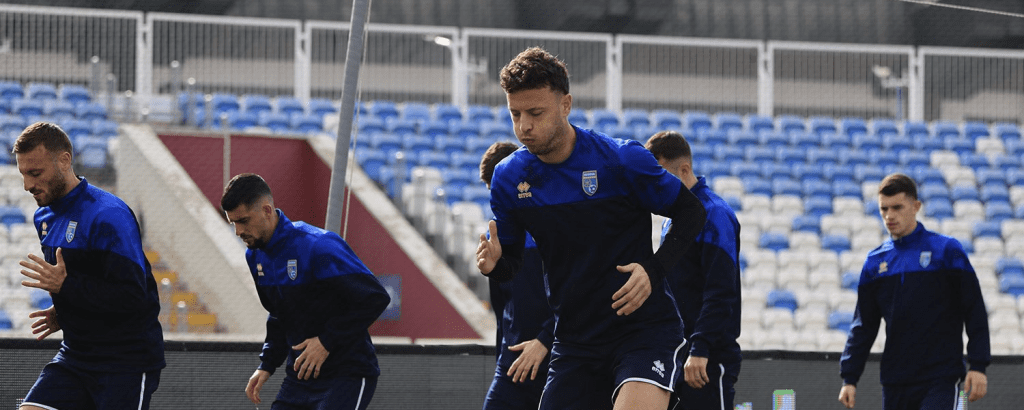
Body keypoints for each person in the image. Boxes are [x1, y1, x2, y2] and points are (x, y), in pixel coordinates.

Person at [477, 47, 708, 410]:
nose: (524, 127)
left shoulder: (621, 160)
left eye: (536, 113)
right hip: (574, 343)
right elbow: (512, 264)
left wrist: (653, 270)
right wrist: (495, 265)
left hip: (643, 333)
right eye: (515, 114)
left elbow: (691, 212)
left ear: (565, 105)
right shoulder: (508, 179)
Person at [13, 121, 165, 409]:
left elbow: (132, 296)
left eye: (35, 173)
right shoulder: (43, 217)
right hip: (75, 356)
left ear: (64, 160)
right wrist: (65, 310)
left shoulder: (108, 215)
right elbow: (83, 280)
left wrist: (67, 288)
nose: (27, 185)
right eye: (23, 174)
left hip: (126, 360)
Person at [221, 173, 390, 410]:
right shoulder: (254, 256)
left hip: (347, 374)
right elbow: (279, 314)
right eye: (233, 223)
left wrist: (326, 341)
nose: (238, 231)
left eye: (243, 221)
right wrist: (267, 365)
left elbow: (375, 298)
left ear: (267, 210)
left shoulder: (318, 246)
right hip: (300, 377)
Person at [838, 173, 990, 410]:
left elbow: (974, 309)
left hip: (940, 376)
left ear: (916, 206)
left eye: (897, 207)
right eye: (884, 209)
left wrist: (978, 365)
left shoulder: (946, 251)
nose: (889, 216)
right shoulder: (874, 263)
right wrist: (849, 378)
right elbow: (863, 325)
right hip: (895, 380)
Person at [644, 131, 742, 410]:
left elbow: (721, 291)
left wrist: (701, 347)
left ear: (684, 170)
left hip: (705, 357)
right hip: (677, 352)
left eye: (660, 176)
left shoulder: (715, 214)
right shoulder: (672, 219)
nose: (655, 186)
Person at [479, 141, 555, 410]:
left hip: (559, 361)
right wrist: (502, 357)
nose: (496, 198)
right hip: (512, 366)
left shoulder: (557, 226)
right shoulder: (496, 238)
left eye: (500, 188)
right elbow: (502, 308)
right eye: (491, 190)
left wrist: (544, 341)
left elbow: (580, 295)